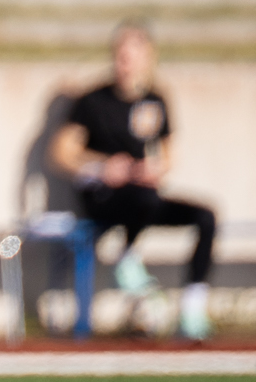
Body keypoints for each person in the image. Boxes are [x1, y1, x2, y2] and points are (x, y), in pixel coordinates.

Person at [49, 22, 217, 341]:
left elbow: (168, 154)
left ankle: (193, 307)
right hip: (102, 196)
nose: (124, 62)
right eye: (120, 55)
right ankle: (128, 260)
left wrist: (154, 168)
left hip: (142, 196)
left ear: (148, 57)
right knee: (143, 199)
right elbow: (61, 153)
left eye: (132, 55)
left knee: (204, 216)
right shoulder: (93, 101)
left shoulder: (155, 100)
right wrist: (103, 166)